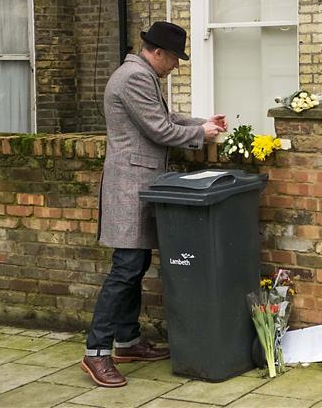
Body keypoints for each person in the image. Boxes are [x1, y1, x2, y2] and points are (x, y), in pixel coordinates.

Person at [81, 21, 226, 388]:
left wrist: (202, 123)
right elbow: (160, 131)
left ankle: (127, 341)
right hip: (130, 186)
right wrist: (199, 135)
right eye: (175, 57)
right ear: (158, 52)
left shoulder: (143, 75)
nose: (177, 65)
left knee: (137, 262)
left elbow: (166, 118)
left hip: (141, 185)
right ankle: (96, 352)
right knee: (125, 268)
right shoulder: (134, 78)